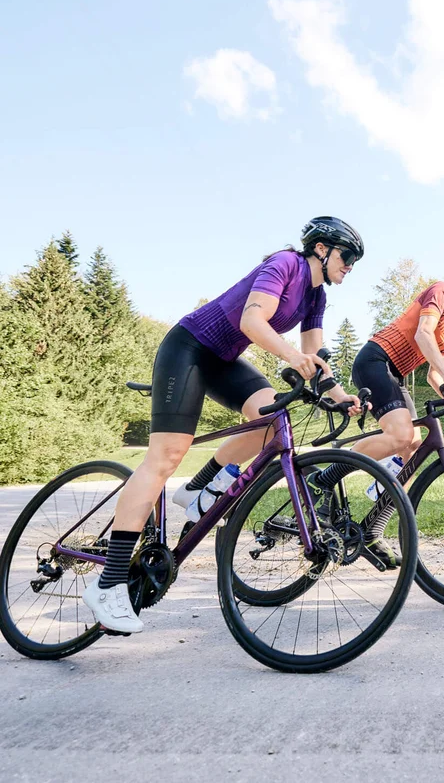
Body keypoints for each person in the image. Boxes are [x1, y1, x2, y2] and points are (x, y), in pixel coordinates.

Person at [82, 217, 365, 634]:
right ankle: (108, 584)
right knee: (164, 457)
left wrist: (339, 395)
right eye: (348, 257)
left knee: (273, 421)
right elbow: (253, 322)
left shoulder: (316, 296)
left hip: (224, 360)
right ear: (321, 248)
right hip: (190, 349)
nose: (351, 266)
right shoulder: (286, 264)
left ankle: (200, 485)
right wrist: (291, 358)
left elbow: (314, 354)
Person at [310, 257, 444, 568]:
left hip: (395, 374)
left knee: (414, 445)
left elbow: (434, 375)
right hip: (375, 360)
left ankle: (372, 531)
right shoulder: (442, 292)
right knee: (401, 434)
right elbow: (422, 335)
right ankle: (322, 480)